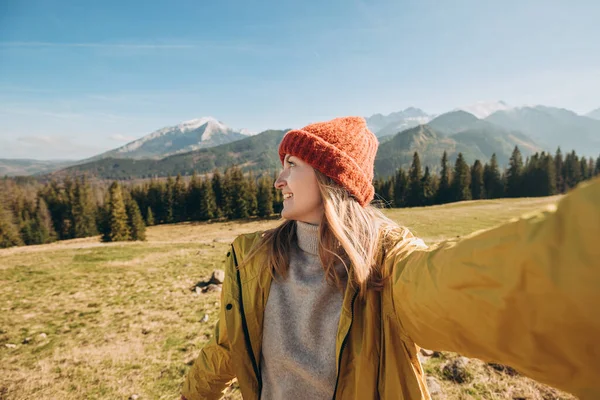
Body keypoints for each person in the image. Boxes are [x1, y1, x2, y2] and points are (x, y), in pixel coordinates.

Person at [181, 117, 600, 400]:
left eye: (290, 164)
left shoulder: (389, 262)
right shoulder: (250, 258)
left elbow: (464, 290)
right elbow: (226, 349)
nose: (278, 180)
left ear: (331, 178)